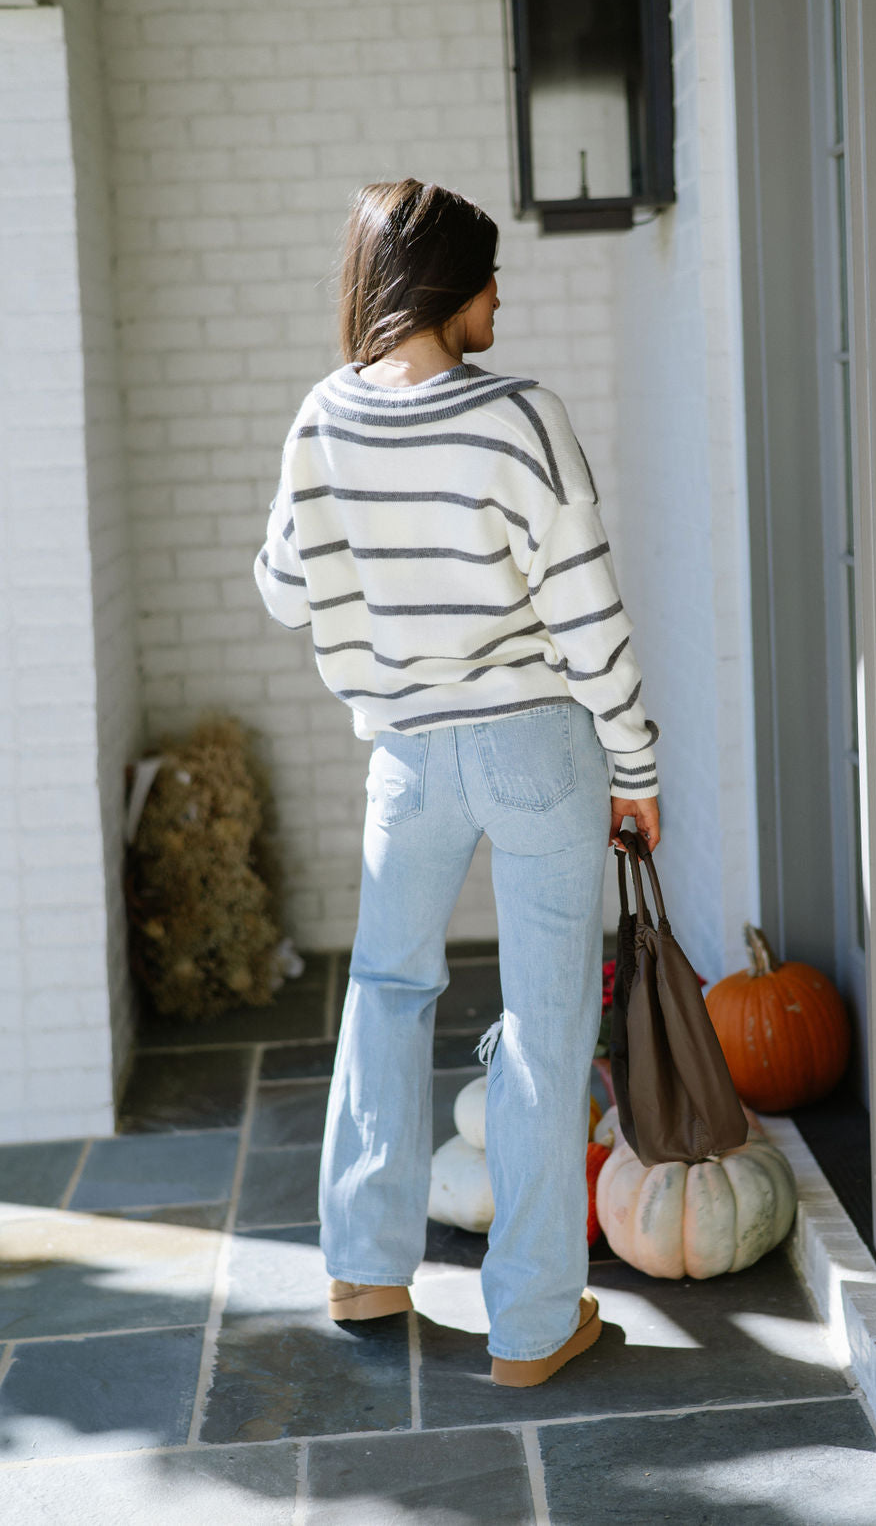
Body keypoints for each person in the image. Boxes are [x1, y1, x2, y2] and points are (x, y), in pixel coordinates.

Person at [254, 179, 660, 1387]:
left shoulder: (322, 418)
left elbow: (283, 588)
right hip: (539, 745)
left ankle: (365, 1267)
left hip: (409, 753)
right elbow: (588, 619)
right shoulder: (519, 416)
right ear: (445, 288)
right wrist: (635, 766)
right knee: (542, 1028)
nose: (499, 299)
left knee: (383, 993)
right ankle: (534, 1325)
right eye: (487, 278)